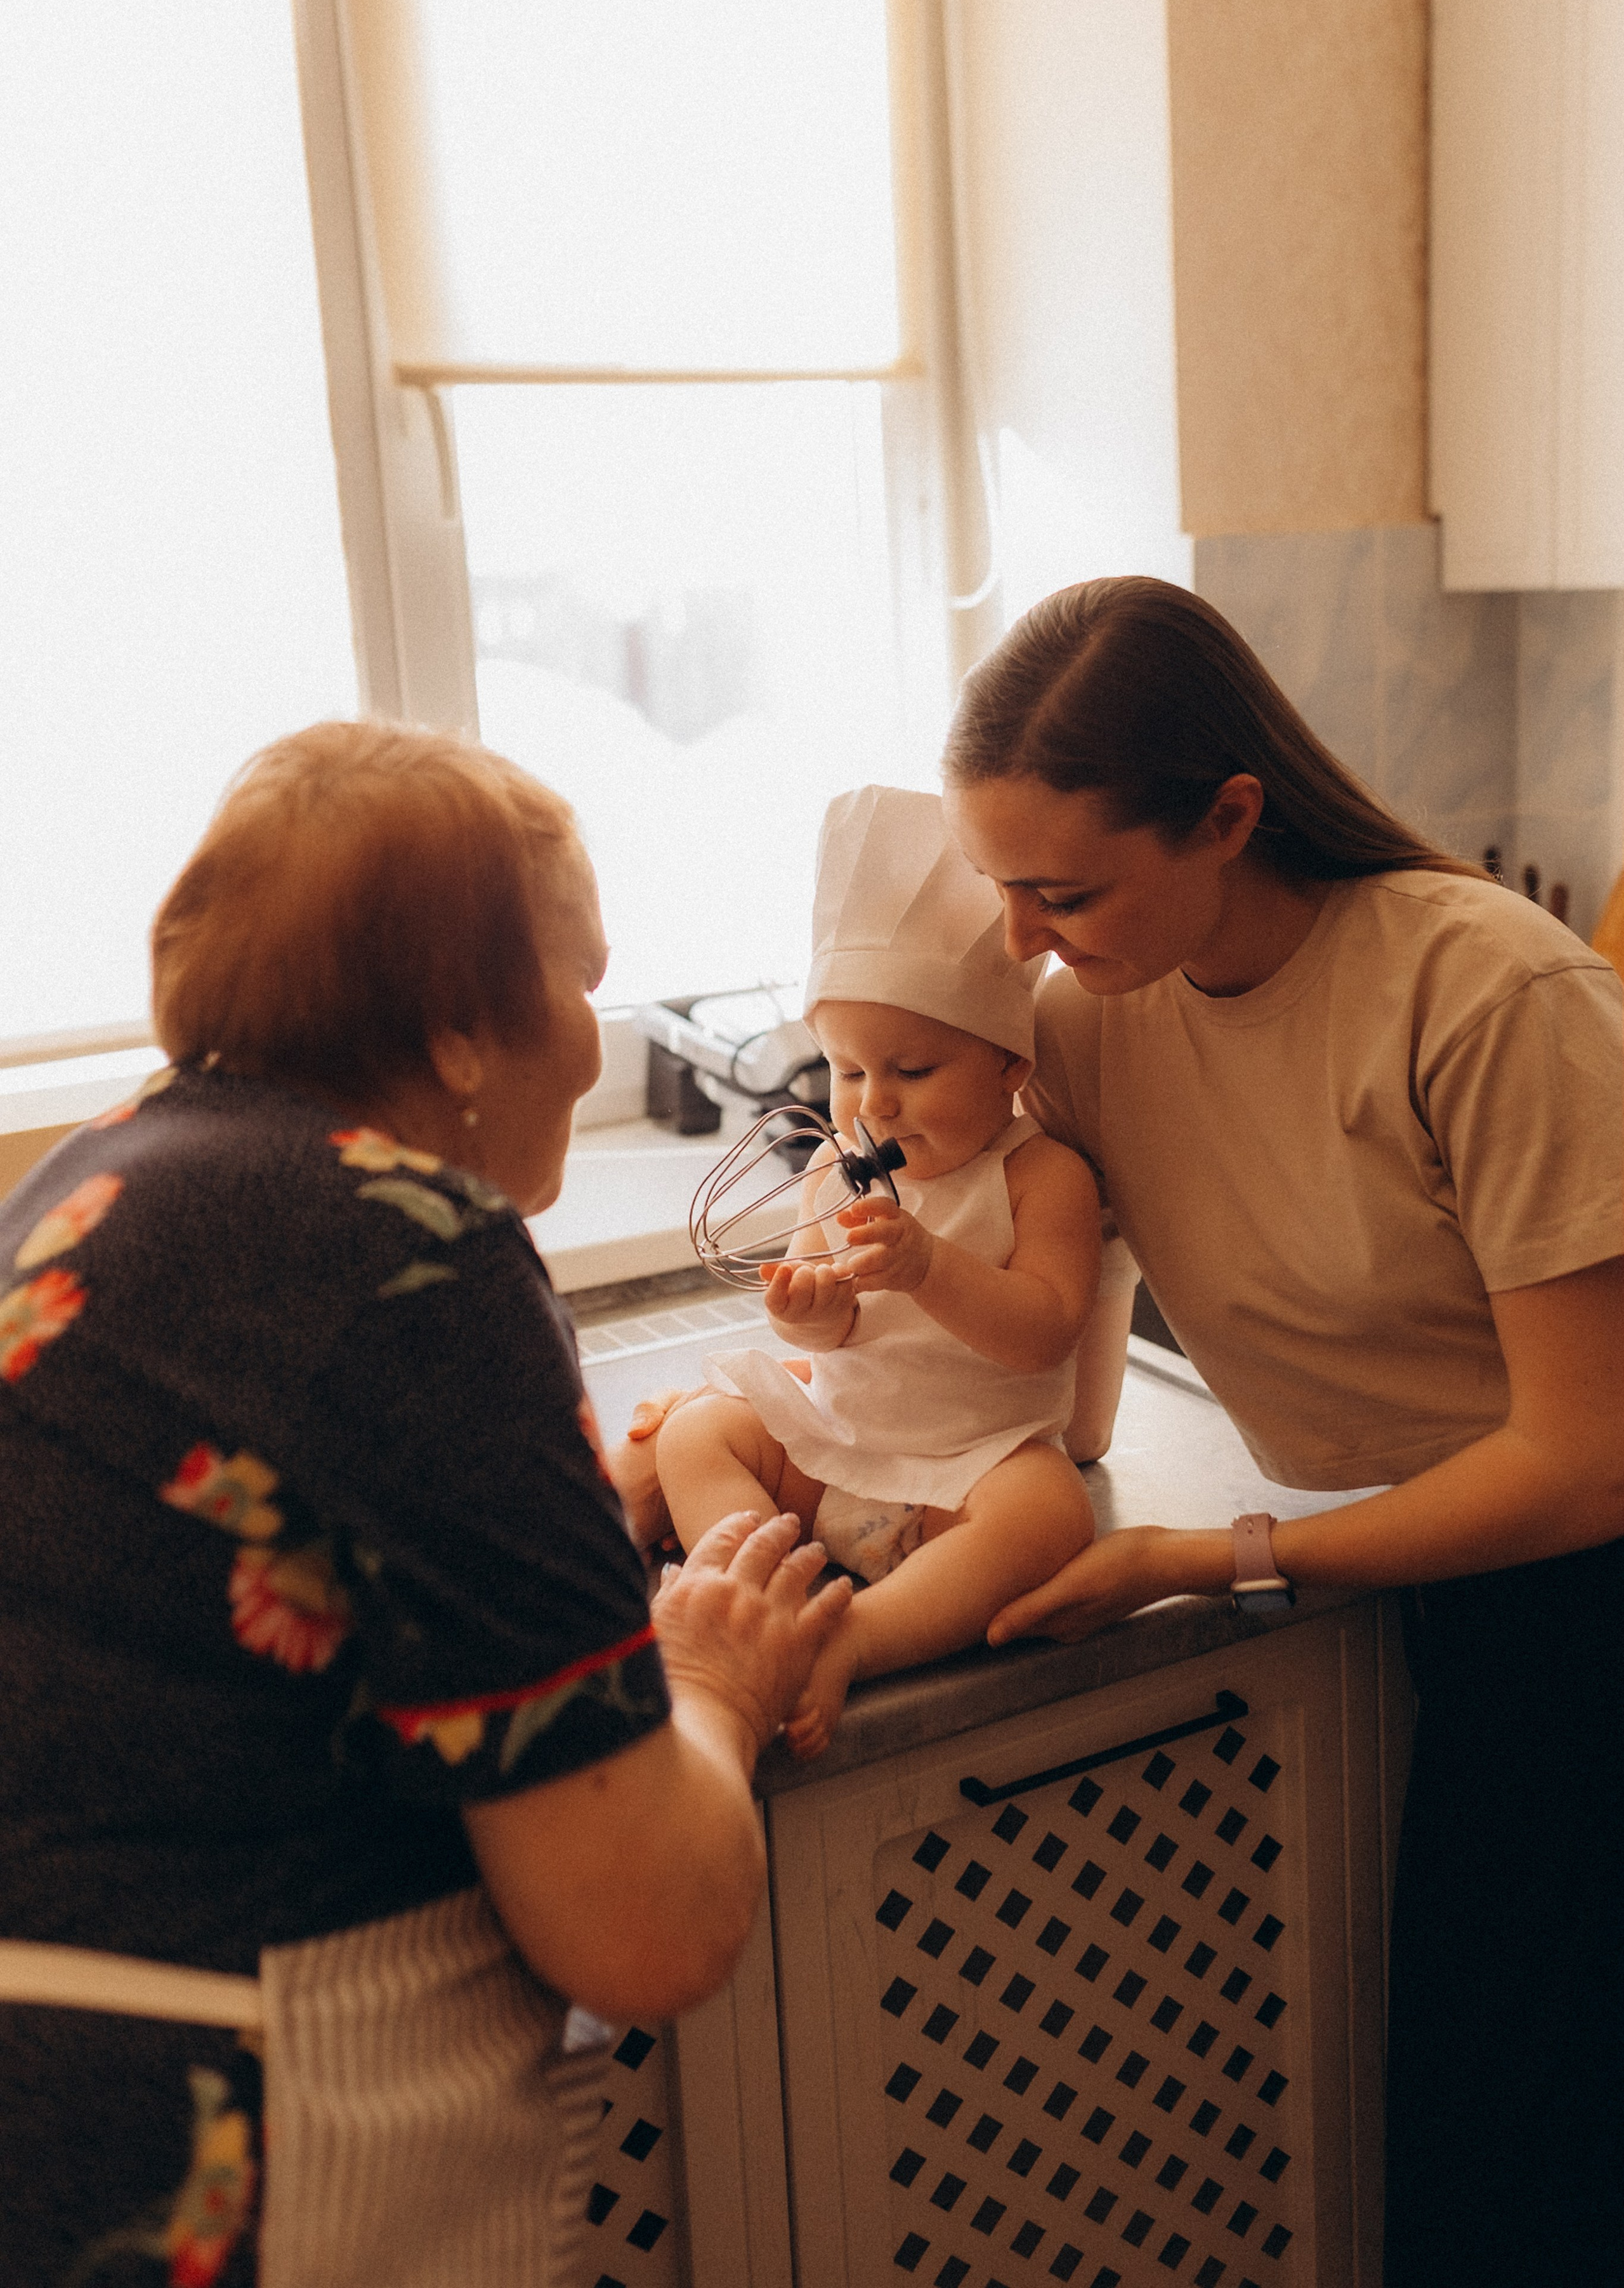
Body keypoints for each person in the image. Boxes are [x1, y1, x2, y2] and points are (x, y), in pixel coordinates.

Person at [0, 720, 849, 2288]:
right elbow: (647, 1930)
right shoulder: (413, 1252)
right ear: (462, 1022)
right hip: (232, 2147)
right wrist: (709, 1679)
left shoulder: (101, 1175)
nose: (598, 1039)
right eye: (584, 980)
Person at [938, 576, 1624, 2288]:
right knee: (1486, 2137)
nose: (1024, 937)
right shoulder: (1098, 1019)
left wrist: (1230, 1557)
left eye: (1064, 890)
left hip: (1586, 1581)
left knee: (1528, 2152)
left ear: (1231, 816)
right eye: (1000, 890)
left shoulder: (1484, 992)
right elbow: (1045, 1318)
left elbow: (1588, 1460)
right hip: (1454, 1570)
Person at [656, 787, 1098, 1757]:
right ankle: (765, 1602)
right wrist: (809, 1313)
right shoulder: (828, 1166)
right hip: (840, 1446)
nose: (877, 1106)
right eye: (851, 1072)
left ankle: (853, 1638)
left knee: (1048, 1516)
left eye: (915, 1071)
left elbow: (1046, 1333)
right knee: (696, 1435)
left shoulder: (1041, 1178)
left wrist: (930, 1266)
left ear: (1008, 1069)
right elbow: (827, 1335)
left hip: (972, 1468)